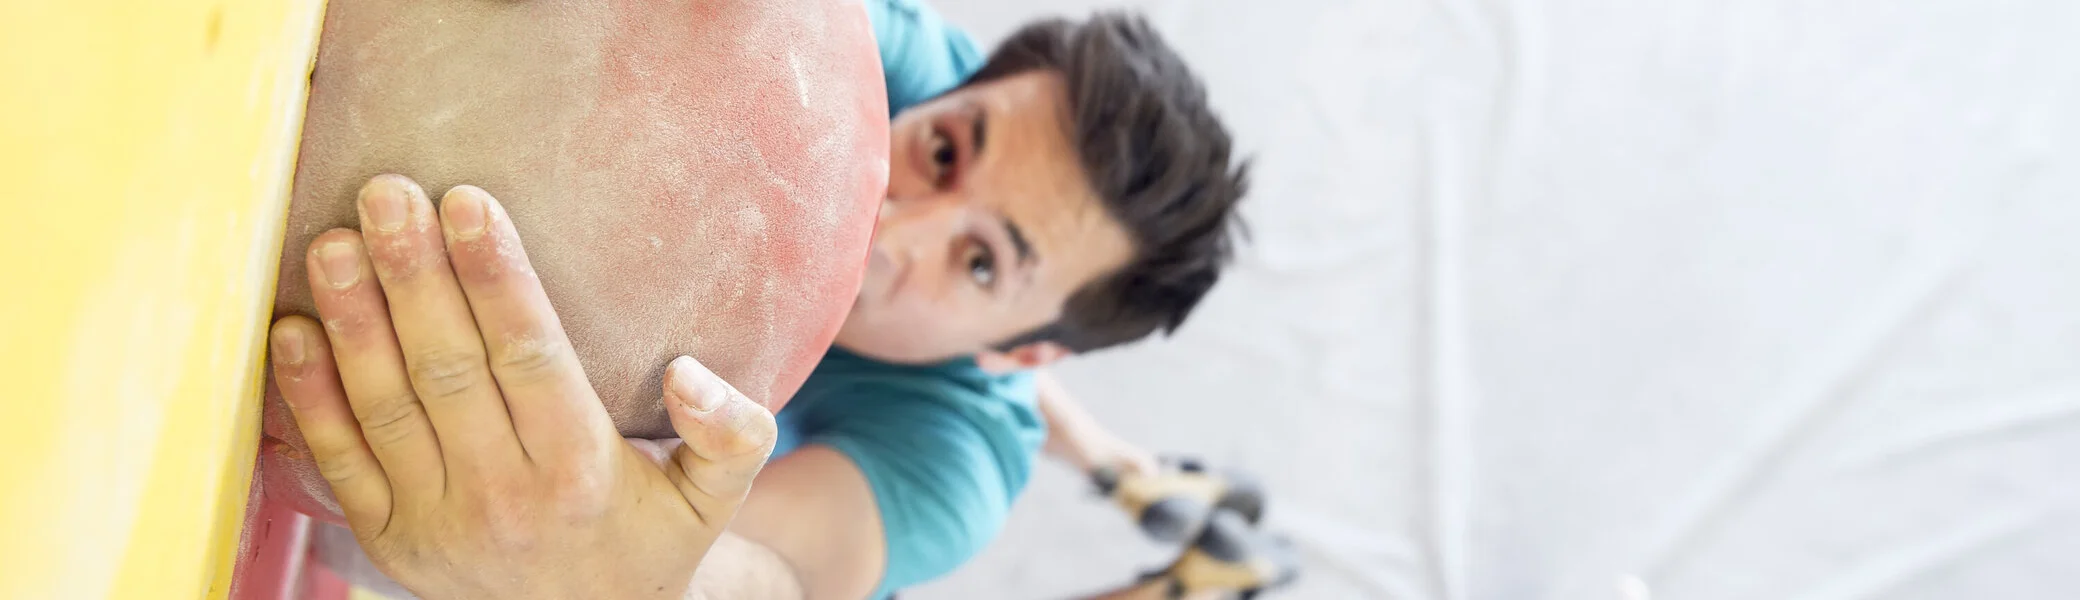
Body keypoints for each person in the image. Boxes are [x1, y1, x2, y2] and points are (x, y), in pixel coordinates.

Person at [272, 1, 1277, 598]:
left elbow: (776, 573)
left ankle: (1121, 477)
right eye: (941, 152)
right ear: (954, 96)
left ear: (1020, 354)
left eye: (977, 262)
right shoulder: (891, 67)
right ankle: (1118, 460)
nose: (894, 222)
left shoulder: (955, 460)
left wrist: (632, 574)